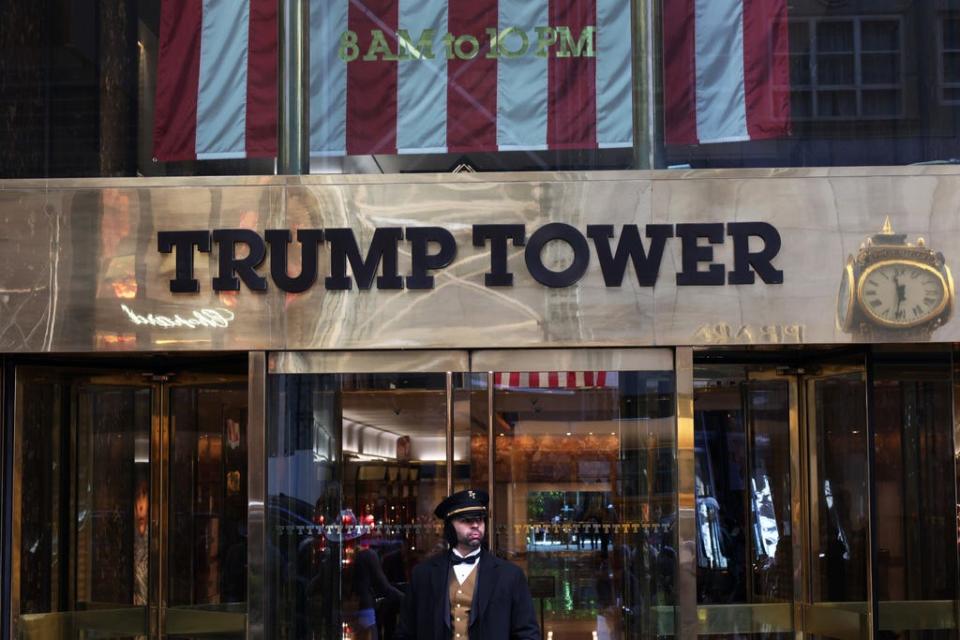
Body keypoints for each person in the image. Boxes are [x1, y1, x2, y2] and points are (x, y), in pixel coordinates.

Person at [397, 489, 540, 640]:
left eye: (479, 519)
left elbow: (527, 634)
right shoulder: (423, 574)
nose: (475, 525)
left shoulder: (510, 575)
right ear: (450, 526)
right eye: (466, 520)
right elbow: (405, 632)